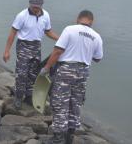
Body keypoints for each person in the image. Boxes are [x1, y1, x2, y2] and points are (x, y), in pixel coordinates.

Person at [39, 10, 103, 144]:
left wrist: (46, 68)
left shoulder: (70, 29)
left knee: (60, 103)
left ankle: (58, 138)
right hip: (83, 72)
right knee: (75, 103)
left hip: (66, 70)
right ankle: (69, 137)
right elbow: (98, 58)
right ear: (92, 21)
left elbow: (57, 51)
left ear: (77, 19)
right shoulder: (96, 36)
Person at [3, 0, 59, 109]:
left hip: (36, 46)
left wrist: (60, 39)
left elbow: (48, 32)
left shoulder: (46, 15)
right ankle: (18, 97)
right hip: (23, 45)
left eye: (37, 7)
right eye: (33, 6)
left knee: (33, 73)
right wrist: (7, 51)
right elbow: (13, 33)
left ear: (41, 6)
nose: (35, 8)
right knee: (22, 73)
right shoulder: (22, 15)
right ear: (30, 4)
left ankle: (28, 96)